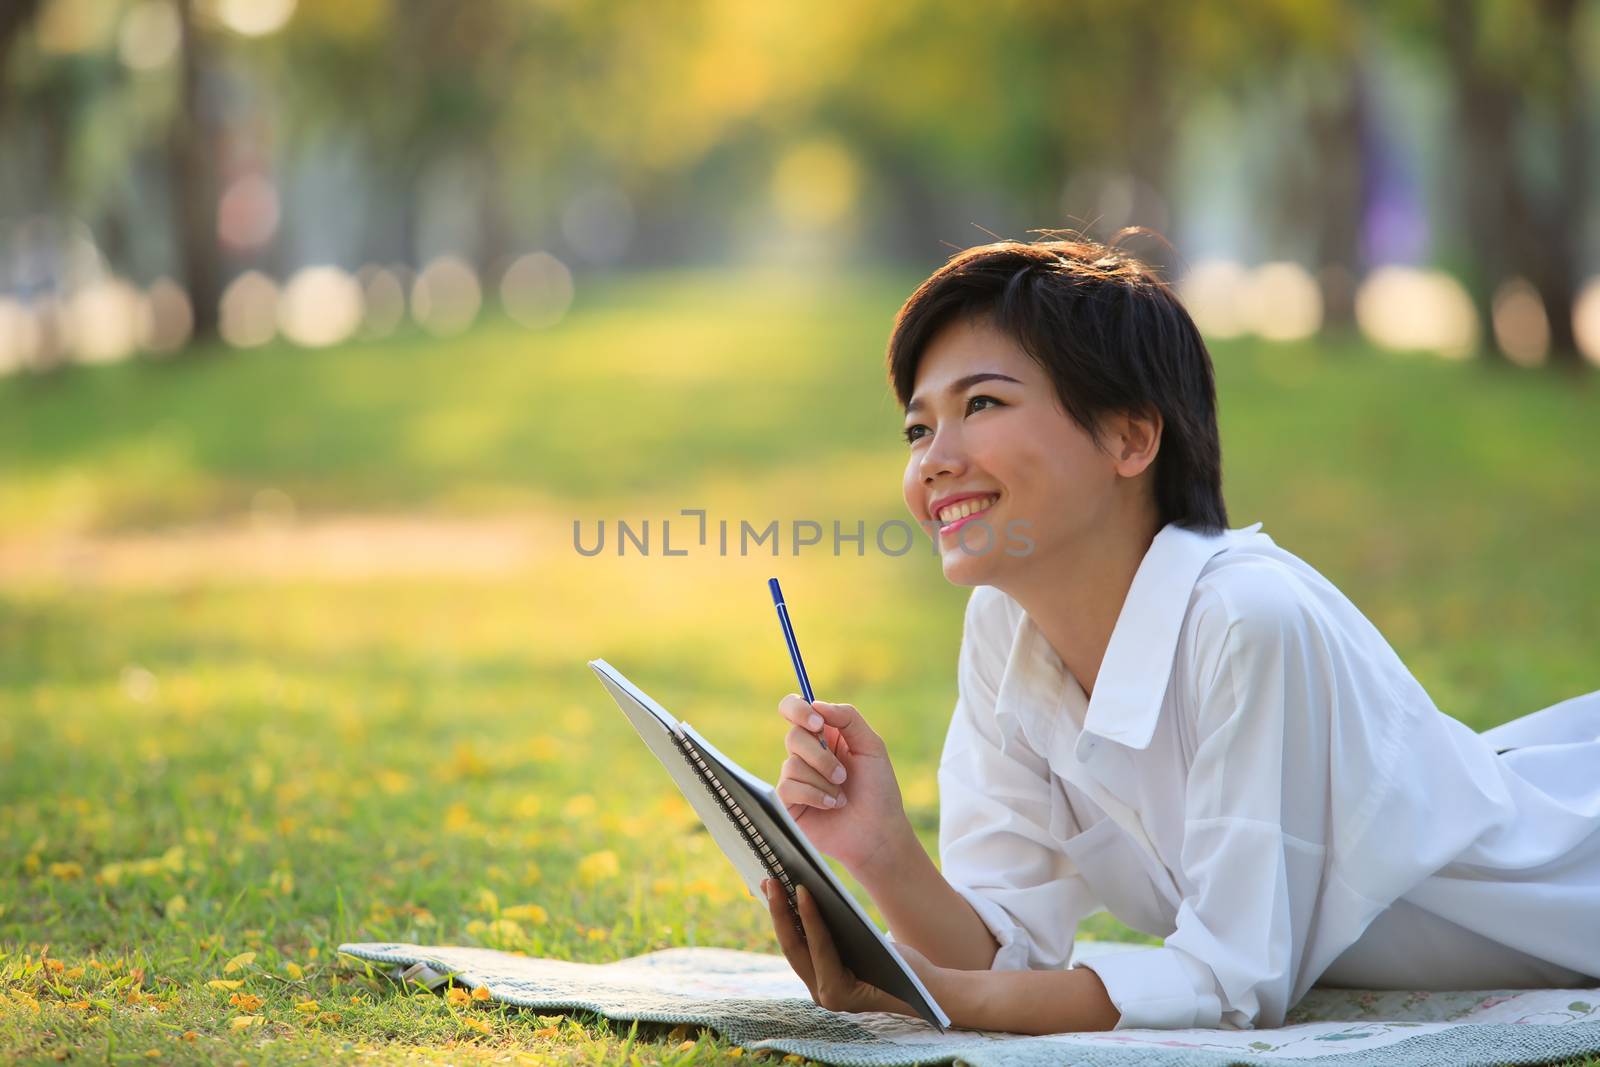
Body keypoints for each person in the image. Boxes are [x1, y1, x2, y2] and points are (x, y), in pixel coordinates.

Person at [759, 234, 1600, 1035]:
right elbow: (1001, 949)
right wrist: (881, 851)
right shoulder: (1005, 626)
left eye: (982, 403)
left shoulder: (1248, 621)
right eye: (917, 428)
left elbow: (1233, 985)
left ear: (1130, 436)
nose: (934, 460)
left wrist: (946, 1000)